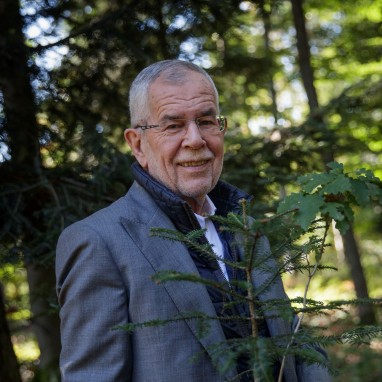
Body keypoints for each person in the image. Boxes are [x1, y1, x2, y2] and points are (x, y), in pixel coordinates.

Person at [56, 59, 331, 381]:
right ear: (137, 144)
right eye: (173, 125)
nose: (195, 139)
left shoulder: (246, 229)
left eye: (206, 120)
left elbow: (295, 344)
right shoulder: (98, 241)